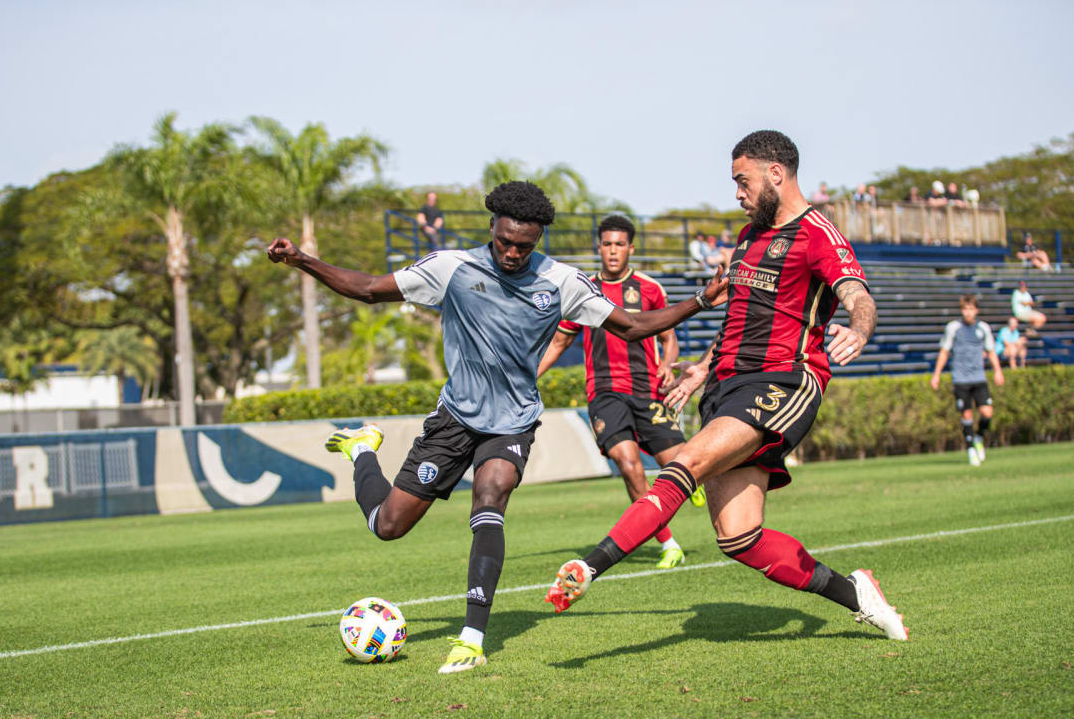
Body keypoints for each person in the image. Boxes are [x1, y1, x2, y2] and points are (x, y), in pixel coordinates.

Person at [267, 181, 728, 674]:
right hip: (454, 420)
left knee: (490, 499)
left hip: (512, 422)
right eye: (505, 241)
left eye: (524, 245)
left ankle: (471, 639)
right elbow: (366, 289)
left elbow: (632, 325)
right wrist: (302, 260)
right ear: (492, 227)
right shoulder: (452, 268)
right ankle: (363, 450)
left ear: (539, 239)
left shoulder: (562, 282)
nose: (512, 252)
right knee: (388, 525)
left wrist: (700, 301)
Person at [543, 130, 908, 642]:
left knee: (684, 462)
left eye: (743, 181)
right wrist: (700, 370)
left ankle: (590, 566)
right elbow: (739, 315)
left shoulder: (818, 233)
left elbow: (856, 293)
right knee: (738, 537)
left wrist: (860, 328)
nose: (737, 193)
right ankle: (858, 595)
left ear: (775, 174)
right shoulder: (747, 237)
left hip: (783, 381)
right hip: (726, 386)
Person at [537, 215, 707, 570]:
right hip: (605, 392)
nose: (613, 251)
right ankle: (668, 543)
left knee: (679, 464)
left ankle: (691, 482)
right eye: (607, 244)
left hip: (647, 390)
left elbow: (668, 337)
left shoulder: (649, 288)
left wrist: (667, 364)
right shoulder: (582, 290)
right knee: (629, 466)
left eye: (620, 244)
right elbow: (558, 341)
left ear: (630, 248)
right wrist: (528, 376)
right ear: (599, 247)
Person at [930, 295, 1006, 466]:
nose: (968, 312)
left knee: (987, 413)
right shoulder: (953, 328)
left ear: (976, 310)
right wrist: (936, 374)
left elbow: (991, 351)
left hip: (979, 377)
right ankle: (971, 449)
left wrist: (998, 371)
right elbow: (944, 352)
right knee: (967, 414)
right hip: (960, 379)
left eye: (971, 309)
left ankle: (978, 437)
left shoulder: (983, 328)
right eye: (965, 309)